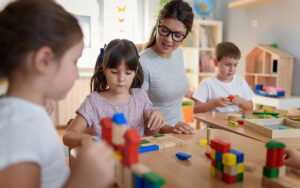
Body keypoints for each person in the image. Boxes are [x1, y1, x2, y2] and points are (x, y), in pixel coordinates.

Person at [0, 1, 114, 188]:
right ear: (44, 61)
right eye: (74, 61)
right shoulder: (19, 130)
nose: (77, 73)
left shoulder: (24, 116)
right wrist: (82, 182)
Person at [63, 39, 165, 148]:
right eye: (114, 72)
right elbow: (67, 136)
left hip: (137, 159)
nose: (121, 79)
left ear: (135, 72)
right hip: (107, 161)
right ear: (104, 69)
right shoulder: (93, 102)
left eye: (128, 73)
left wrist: (156, 121)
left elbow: (151, 135)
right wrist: (88, 139)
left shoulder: (141, 97)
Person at [140, 0, 194, 134]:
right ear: (158, 24)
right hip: (155, 137)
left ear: (185, 35)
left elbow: (175, 84)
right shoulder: (143, 62)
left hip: (179, 133)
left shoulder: (178, 53)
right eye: (164, 30)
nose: (169, 40)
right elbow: (139, 113)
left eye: (177, 35)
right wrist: (170, 129)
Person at [193, 41, 254, 113]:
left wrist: (241, 101)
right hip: (213, 123)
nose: (232, 69)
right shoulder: (207, 83)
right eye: (227, 64)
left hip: (234, 123)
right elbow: (196, 109)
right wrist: (214, 103)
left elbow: (251, 107)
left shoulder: (240, 82)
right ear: (215, 63)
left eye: (235, 65)